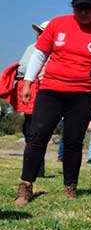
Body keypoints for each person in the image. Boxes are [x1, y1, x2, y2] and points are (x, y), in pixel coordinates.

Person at [14, 0, 91, 205]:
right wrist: (28, 82)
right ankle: (26, 186)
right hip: (51, 91)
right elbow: (40, 54)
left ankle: (70, 187)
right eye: (79, 8)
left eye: (88, 8)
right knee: (38, 136)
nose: (84, 13)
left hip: (83, 94)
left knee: (73, 141)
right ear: (73, 7)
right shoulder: (58, 24)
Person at [15, 21, 49, 176]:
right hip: (28, 88)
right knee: (28, 128)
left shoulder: (48, 51)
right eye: (39, 32)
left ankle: (37, 169)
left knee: (35, 130)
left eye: (42, 32)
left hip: (39, 89)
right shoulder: (31, 47)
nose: (39, 34)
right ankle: (33, 166)